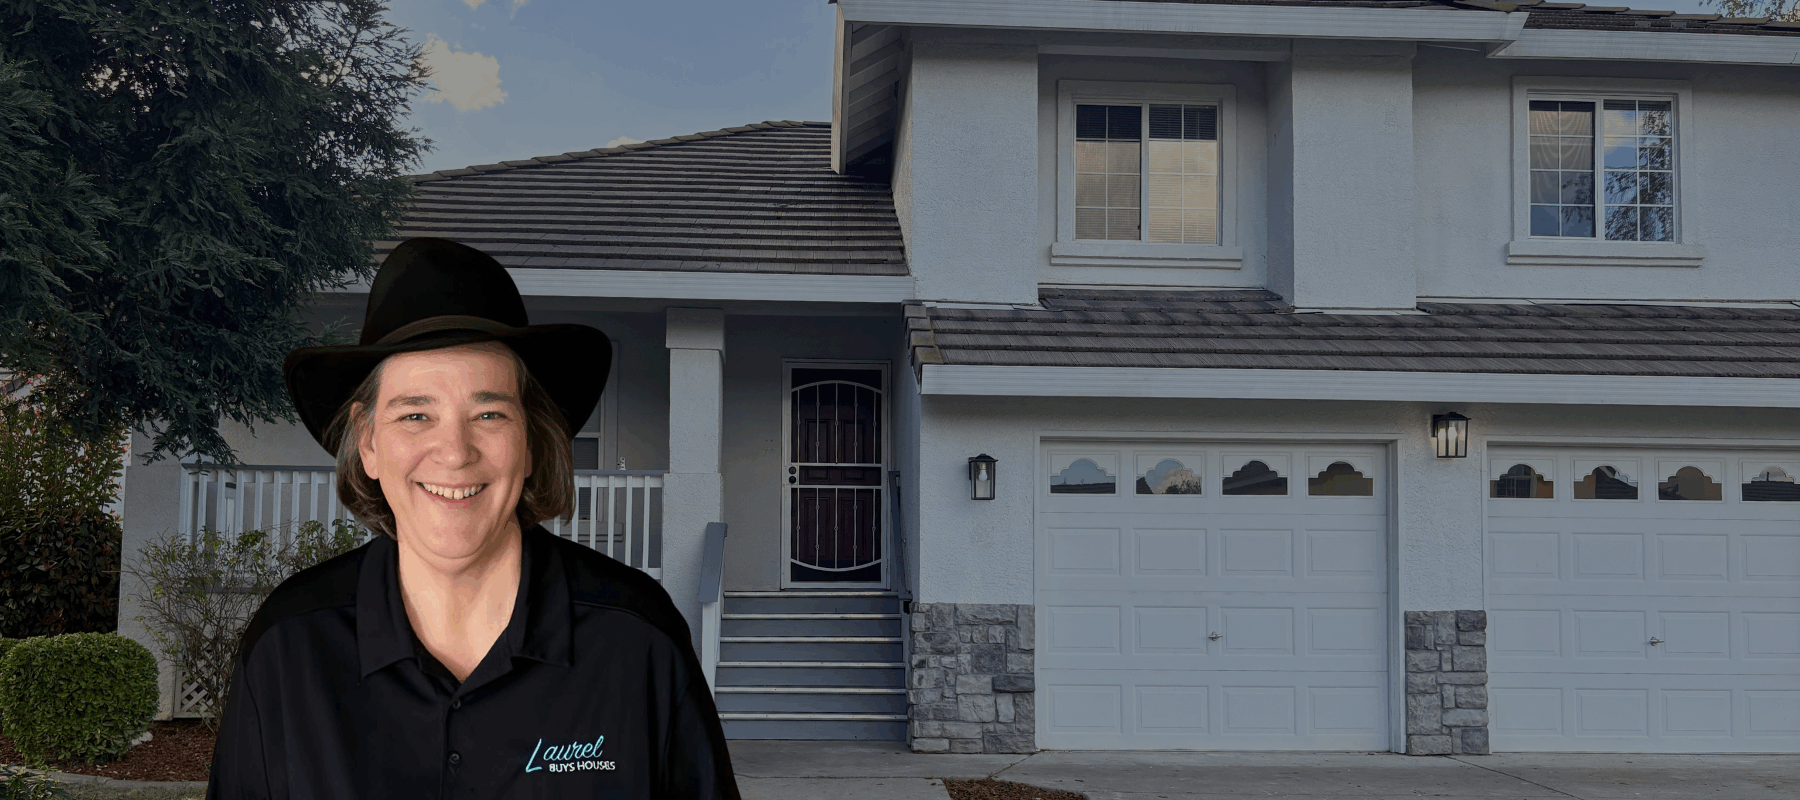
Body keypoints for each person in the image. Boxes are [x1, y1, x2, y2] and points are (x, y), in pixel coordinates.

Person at [205, 237, 741, 799]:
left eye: (488, 413)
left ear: (531, 440)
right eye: (415, 414)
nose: (455, 452)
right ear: (367, 443)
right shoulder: (287, 649)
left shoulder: (638, 641)